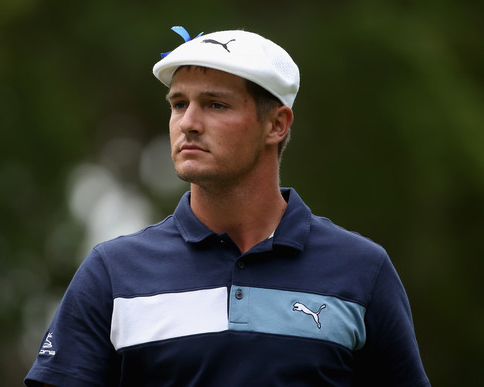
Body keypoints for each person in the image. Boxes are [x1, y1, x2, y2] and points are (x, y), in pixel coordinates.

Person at [25, 27, 430, 386]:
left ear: (276, 125)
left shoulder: (362, 271)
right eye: (179, 104)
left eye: (215, 105)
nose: (188, 122)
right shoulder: (113, 274)